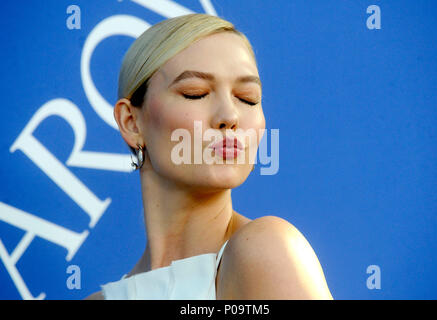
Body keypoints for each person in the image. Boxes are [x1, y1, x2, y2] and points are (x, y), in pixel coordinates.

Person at [86, 13, 333, 300]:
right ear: (131, 122)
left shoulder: (267, 249)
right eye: (196, 93)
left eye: (247, 98)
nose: (229, 116)